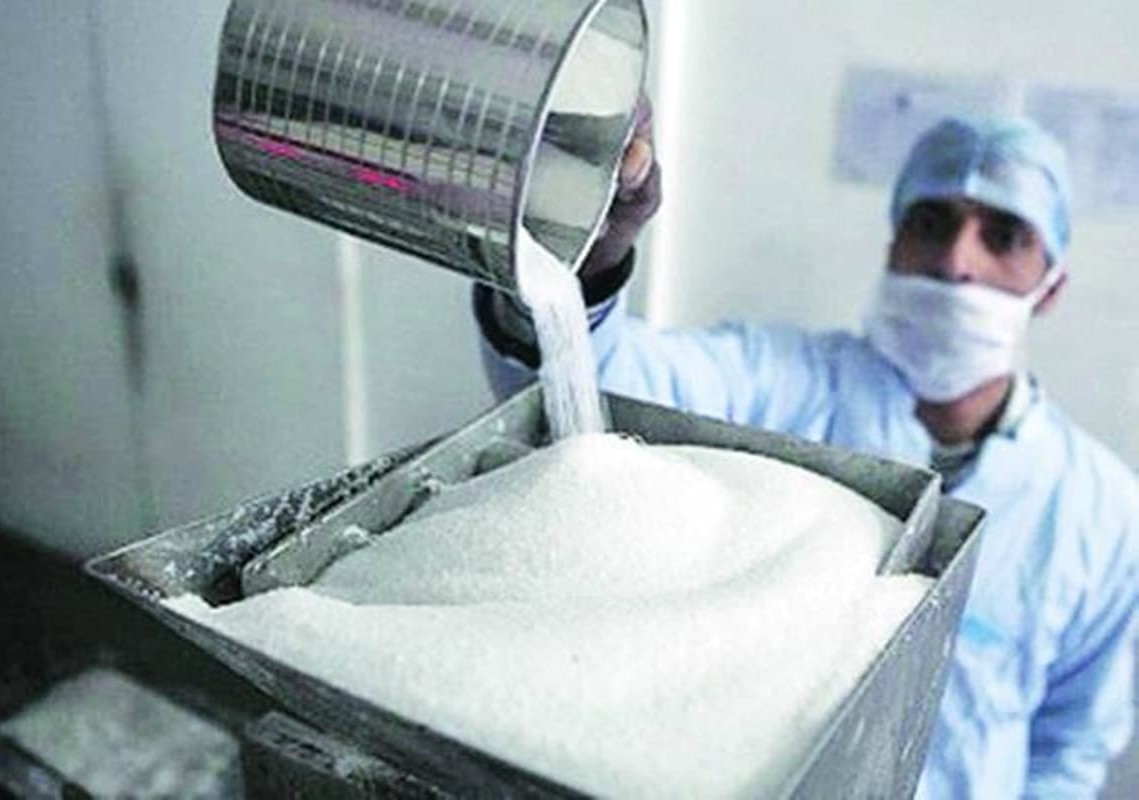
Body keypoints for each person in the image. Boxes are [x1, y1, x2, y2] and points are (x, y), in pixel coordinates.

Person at [474, 107, 1139, 797]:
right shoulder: (780, 386)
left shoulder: (1103, 512)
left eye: (1003, 237)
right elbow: (595, 393)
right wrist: (587, 258)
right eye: (932, 223)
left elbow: (1072, 746)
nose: (956, 262)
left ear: (1050, 285)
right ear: (894, 242)